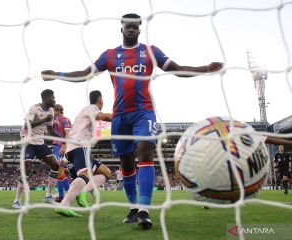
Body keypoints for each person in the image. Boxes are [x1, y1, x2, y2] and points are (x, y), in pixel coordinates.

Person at [41, 13, 223, 229]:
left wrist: (205, 69)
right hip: (120, 117)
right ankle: (134, 207)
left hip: (143, 112)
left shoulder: (150, 51)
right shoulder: (110, 55)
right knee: (126, 163)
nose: (131, 29)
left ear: (139, 29)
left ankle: (145, 210)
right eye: (127, 26)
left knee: (145, 151)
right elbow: (84, 73)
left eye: (135, 26)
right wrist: (57, 74)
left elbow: (176, 69)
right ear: (122, 29)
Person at [55, 90, 112, 217]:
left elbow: (102, 126)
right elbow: (104, 117)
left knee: (106, 172)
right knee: (84, 174)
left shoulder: (87, 113)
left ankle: (83, 191)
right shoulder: (92, 108)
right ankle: (64, 204)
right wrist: (122, 117)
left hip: (77, 148)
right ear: (100, 100)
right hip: (79, 147)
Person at [12, 89, 60, 208]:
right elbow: (27, 125)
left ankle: (48, 196)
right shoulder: (34, 109)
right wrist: (44, 119)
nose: (54, 100)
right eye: (52, 98)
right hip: (28, 140)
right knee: (27, 168)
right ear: (45, 99)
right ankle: (17, 201)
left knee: (55, 165)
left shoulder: (51, 111)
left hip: (39, 142)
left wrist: (62, 139)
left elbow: (49, 129)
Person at [44, 104, 72, 203]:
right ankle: (61, 196)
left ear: (58, 110)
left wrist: (64, 146)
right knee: (60, 172)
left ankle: (68, 195)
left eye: (54, 110)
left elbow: (68, 134)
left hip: (61, 147)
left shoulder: (65, 120)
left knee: (59, 172)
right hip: (57, 146)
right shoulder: (54, 120)